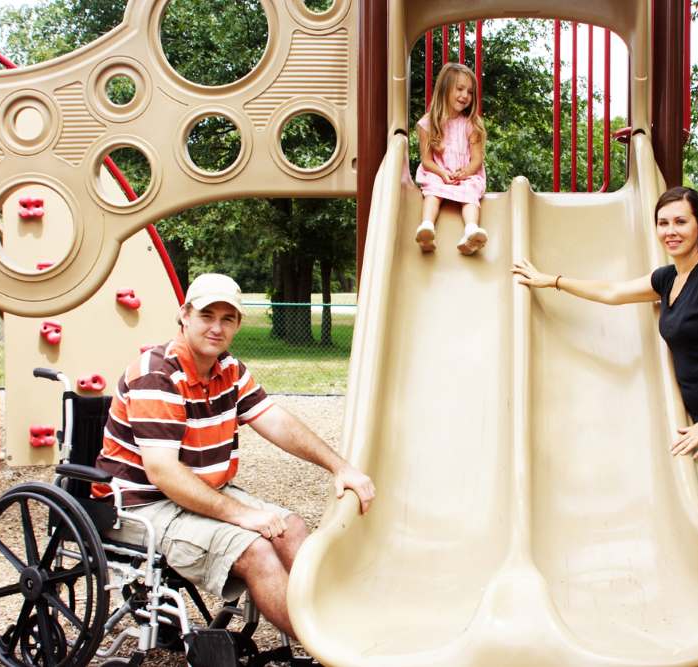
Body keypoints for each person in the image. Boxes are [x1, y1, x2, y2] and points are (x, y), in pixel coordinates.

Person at [511, 187, 698, 667]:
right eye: (663, 222)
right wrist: (549, 280)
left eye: (681, 222)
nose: (671, 231)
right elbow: (611, 292)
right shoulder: (670, 279)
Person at [93, 273, 375, 638]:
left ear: (238, 324)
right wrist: (245, 516)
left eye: (228, 318)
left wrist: (340, 467)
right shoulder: (157, 375)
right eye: (207, 315)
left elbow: (275, 421)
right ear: (185, 315)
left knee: (291, 530)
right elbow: (163, 473)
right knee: (256, 550)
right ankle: (333, 648)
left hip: (204, 492)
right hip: (145, 507)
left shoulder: (229, 369)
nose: (217, 327)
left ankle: (345, 627)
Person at [414, 62, 488, 255]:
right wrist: (442, 173)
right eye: (460, 89)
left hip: (465, 175)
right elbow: (427, 161)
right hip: (438, 172)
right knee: (433, 188)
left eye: (470, 92)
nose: (465, 96)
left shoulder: (472, 124)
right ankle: (427, 228)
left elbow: (477, 160)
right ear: (445, 89)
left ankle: (471, 231)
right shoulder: (428, 124)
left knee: (470, 191)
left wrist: (464, 173)